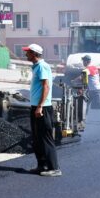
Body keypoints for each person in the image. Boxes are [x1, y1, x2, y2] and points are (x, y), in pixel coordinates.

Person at [23, 43, 61, 177]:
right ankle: (42, 165)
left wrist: (40, 106)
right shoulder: (36, 67)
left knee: (45, 138)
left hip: (43, 108)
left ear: (34, 53)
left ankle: (54, 168)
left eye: (28, 52)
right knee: (37, 138)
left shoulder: (42, 66)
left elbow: (46, 87)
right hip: (36, 106)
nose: (25, 54)